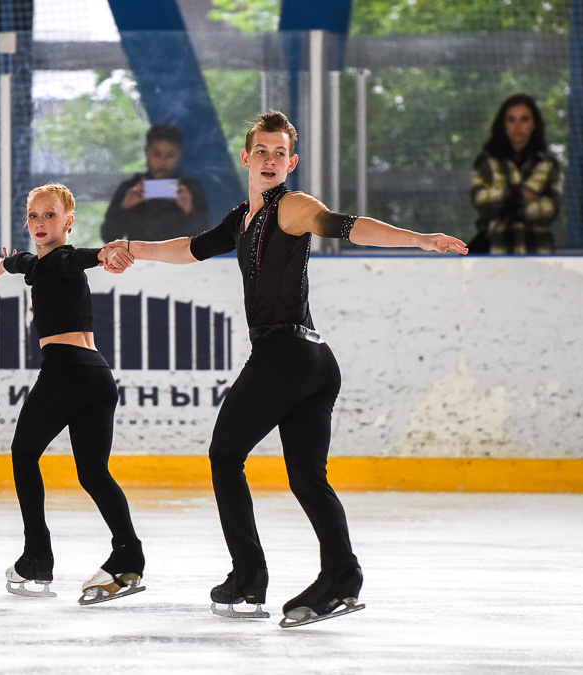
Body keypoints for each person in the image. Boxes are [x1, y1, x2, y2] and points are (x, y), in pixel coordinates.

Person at [104, 110, 468, 627]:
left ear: (291, 162)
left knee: (225, 455)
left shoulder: (292, 206)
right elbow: (191, 248)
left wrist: (421, 239)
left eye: (280, 153)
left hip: (287, 355)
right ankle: (341, 577)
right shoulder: (240, 219)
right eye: (263, 151)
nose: (271, 159)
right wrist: (132, 249)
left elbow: (348, 227)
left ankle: (249, 578)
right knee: (306, 479)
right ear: (247, 158)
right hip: (313, 361)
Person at [0, 183, 144, 606]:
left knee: (23, 454)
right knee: (93, 473)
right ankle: (129, 554)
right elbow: (29, 264)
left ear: (68, 221)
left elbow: (69, 259)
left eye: (51, 216)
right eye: (34, 216)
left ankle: (38, 556)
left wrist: (101, 254)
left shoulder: (62, 260)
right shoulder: (41, 263)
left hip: (66, 373)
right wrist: (9, 263)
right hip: (97, 377)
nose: (41, 223)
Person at [470, 93, 563, 254]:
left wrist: (504, 203)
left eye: (524, 119)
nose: (517, 126)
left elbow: (551, 209)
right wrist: (522, 196)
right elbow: (481, 201)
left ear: (534, 124)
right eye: (511, 119)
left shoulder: (548, 165)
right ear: (502, 124)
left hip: (538, 253)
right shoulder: (486, 163)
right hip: (495, 253)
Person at [100, 123, 209, 242]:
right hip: (139, 259)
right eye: (157, 154)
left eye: (170, 155)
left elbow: (205, 240)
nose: (162, 161)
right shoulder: (131, 189)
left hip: (179, 259)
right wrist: (124, 207)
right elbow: (108, 237)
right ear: (146, 152)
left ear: (179, 155)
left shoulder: (191, 189)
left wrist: (190, 210)